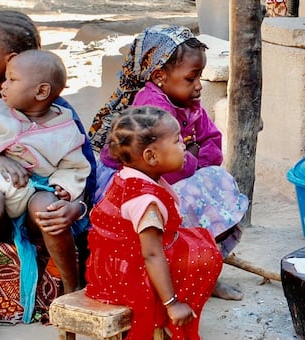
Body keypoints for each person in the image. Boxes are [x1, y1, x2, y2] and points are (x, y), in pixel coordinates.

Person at [0, 10, 96, 338]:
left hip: (35, 202)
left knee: (48, 208)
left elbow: (83, 170)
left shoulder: (60, 113)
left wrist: (74, 207)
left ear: (10, 59)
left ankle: (70, 290)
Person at [88, 24, 248, 300]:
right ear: (160, 76)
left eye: (199, 76)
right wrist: (191, 156)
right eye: (191, 78)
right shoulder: (150, 107)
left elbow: (213, 144)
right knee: (200, 193)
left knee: (219, 180)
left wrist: (190, 157)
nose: (199, 85)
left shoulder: (187, 102)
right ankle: (177, 283)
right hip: (139, 192)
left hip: (166, 182)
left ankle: (204, 273)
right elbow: (165, 170)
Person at [85, 106, 222, 340]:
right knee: (203, 258)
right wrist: (172, 303)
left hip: (111, 265)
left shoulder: (128, 176)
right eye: (178, 141)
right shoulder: (146, 202)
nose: (184, 146)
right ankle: (172, 319)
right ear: (151, 156)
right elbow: (152, 255)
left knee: (197, 241)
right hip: (125, 276)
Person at [0, 50, 90, 222]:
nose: (3, 86)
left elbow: (76, 167)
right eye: (5, 78)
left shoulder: (64, 125)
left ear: (42, 91)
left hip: (32, 197)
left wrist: (67, 189)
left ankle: (67, 249)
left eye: (12, 79)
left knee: (46, 208)